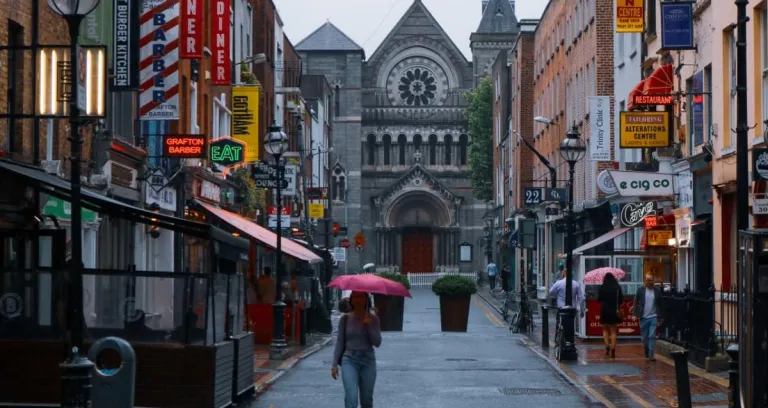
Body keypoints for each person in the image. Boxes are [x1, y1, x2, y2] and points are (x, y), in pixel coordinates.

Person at [331, 291, 382, 408]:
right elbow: (339, 342)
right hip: (349, 360)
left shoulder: (374, 319)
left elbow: (377, 342)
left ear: (366, 300)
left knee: (367, 401)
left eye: (361, 297)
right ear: (351, 300)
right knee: (351, 398)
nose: (358, 300)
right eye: (355, 297)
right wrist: (334, 364)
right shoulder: (345, 319)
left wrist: (368, 325)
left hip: (368, 360)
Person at [633, 273, 663, 361]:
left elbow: (661, 304)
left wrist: (660, 317)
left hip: (653, 316)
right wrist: (635, 314)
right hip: (643, 317)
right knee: (644, 337)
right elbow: (635, 302)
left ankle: (651, 354)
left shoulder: (657, 291)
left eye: (651, 280)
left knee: (652, 335)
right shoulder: (640, 290)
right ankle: (646, 349)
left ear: (653, 281)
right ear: (644, 281)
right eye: (647, 280)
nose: (649, 282)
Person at [597, 273, 623, 358]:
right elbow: (621, 300)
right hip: (614, 310)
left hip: (605, 310)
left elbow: (599, 299)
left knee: (605, 329)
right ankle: (613, 348)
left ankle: (607, 345)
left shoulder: (602, 287)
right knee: (613, 331)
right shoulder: (617, 288)